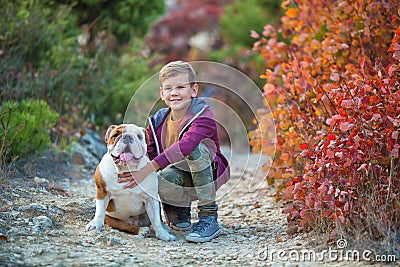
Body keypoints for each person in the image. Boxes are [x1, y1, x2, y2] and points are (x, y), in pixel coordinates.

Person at [118, 60, 230, 243]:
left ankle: (209, 218)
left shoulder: (203, 114)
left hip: (208, 174)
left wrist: (147, 170)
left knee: (196, 150)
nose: (174, 93)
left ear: (193, 90)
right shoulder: (157, 120)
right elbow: (149, 153)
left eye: (180, 87)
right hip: (180, 174)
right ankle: (178, 211)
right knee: (158, 180)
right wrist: (130, 170)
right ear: (162, 93)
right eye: (168, 88)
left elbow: (186, 145)